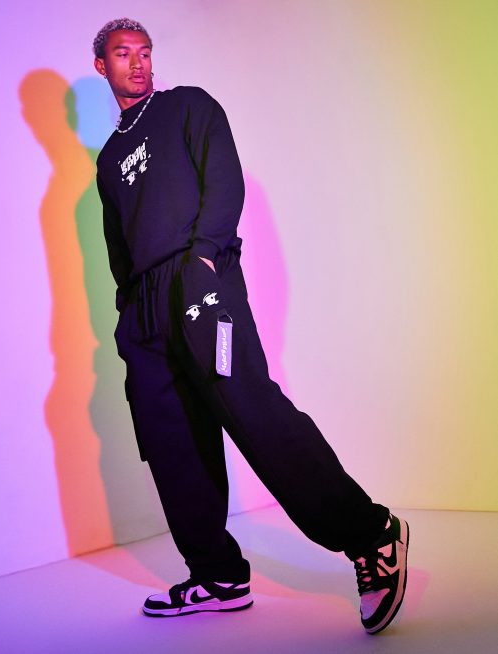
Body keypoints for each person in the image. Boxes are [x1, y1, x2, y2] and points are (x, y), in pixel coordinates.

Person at [92, 17, 409, 635]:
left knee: (253, 413)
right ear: (102, 66)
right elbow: (116, 245)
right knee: (172, 443)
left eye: (145, 51)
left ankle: (372, 534)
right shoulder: (107, 161)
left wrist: (204, 259)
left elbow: (224, 179)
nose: (138, 62)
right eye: (123, 54)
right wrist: (130, 310)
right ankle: (217, 575)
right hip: (145, 313)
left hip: (197, 282)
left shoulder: (189, 107)